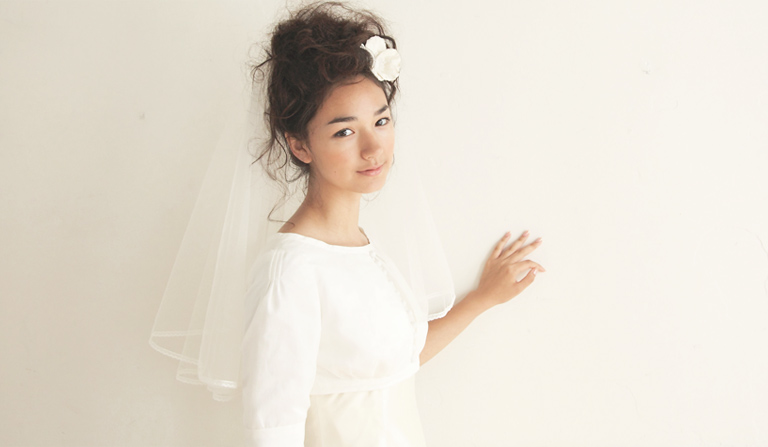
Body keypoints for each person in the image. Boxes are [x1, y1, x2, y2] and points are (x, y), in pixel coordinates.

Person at [239, 2, 546, 446]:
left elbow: (397, 361)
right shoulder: (290, 272)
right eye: (344, 131)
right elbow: (271, 429)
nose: (373, 148)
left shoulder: (362, 246)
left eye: (381, 120)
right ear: (300, 145)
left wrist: (483, 298)